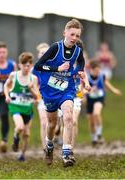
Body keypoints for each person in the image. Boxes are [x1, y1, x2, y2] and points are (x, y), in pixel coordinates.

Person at [34, 19, 90, 167]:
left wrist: (79, 71)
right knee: (52, 124)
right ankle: (49, 146)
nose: (74, 38)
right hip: (50, 90)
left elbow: (82, 62)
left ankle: (66, 153)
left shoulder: (78, 50)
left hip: (67, 88)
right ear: (65, 33)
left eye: (77, 36)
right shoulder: (55, 48)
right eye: (72, 34)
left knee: (68, 116)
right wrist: (56, 69)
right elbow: (38, 66)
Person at [4, 52, 38, 161]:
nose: (26, 67)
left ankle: (22, 155)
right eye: (24, 65)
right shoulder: (14, 75)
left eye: (29, 65)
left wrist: (31, 88)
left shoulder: (34, 78)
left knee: (27, 134)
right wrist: (6, 96)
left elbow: (36, 96)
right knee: (20, 127)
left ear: (31, 66)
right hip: (15, 106)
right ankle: (15, 138)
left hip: (27, 108)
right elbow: (6, 85)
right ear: (20, 65)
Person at [86, 60, 121, 146]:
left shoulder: (102, 76)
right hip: (90, 100)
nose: (97, 73)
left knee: (96, 113)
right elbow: (82, 90)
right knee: (91, 121)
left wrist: (114, 90)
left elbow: (107, 85)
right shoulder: (87, 77)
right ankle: (94, 138)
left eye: (99, 71)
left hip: (99, 98)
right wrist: (89, 91)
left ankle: (99, 133)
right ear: (91, 70)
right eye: (96, 71)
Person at [33, 43, 49, 151]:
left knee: (53, 123)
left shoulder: (55, 66)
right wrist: (35, 95)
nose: (43, 55)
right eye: (41, 53)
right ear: (38, 55)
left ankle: (55, 136)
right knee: (43, 122)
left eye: (46, 53)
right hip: (42, 98)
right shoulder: (35, 69)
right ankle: (45, 149)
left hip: (55, 97)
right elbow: (33, 85)